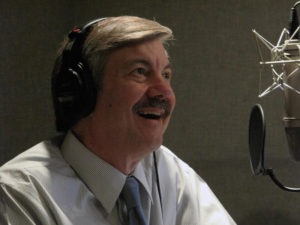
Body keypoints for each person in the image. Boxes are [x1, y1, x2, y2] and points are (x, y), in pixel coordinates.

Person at [0, 16, 236, 225]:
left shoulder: (168, 170)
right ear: (82, 91)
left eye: (166, 75)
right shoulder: (18, 194)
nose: (164, 93)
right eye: (140, 72)